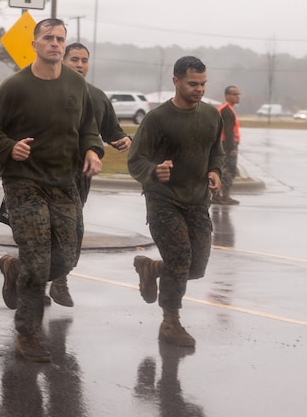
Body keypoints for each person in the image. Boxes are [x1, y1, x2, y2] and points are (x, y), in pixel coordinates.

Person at [0, 18, 103, 363]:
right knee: (37, 257)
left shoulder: (76, 84)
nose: (56, 44)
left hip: (64, 183)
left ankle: (15, 270)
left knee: (68, 257)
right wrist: (8, 147)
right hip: (24, 183)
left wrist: (93, 150)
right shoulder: (16, 86)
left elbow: (88, 126)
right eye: (48, 38)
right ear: (34, 44)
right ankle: (27, 333)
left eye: (61, 39)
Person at [129, 56, 224, 348]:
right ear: (176, 81)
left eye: (203, 83)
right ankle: (171, 322)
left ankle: (152, 269)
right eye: (192, 83)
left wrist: (215, 172)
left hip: (197, 200)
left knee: (196, 267)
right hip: (163, 199)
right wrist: (153, 172)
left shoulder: (211, 115)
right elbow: (135, 159)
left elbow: (216, 152)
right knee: (181, 260)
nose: (199, 89)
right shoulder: (157, 118)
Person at [57, 42, 132, 307]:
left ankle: (58, 279)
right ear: (63, 61)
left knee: (73, 229)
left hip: (80, 176)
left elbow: (113, 130)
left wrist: (123, 140)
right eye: (74, 59)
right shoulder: (49, 90)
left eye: (84, 60)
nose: (79, 64)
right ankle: (32, 275)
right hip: (47, 172)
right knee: (44, 232)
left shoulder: (97, 96)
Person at [214, 85, 241, 205]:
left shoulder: (226, 108)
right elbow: (229, 131)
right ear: (227, 96)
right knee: (228, 170)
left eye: (238, 94)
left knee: (221, 169)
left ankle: (217, 196)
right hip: (226, 144)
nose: (237, 97)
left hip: (223, 143)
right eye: (235, 94)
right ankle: (225, 196)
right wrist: (232, 148)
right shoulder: (227, 110)